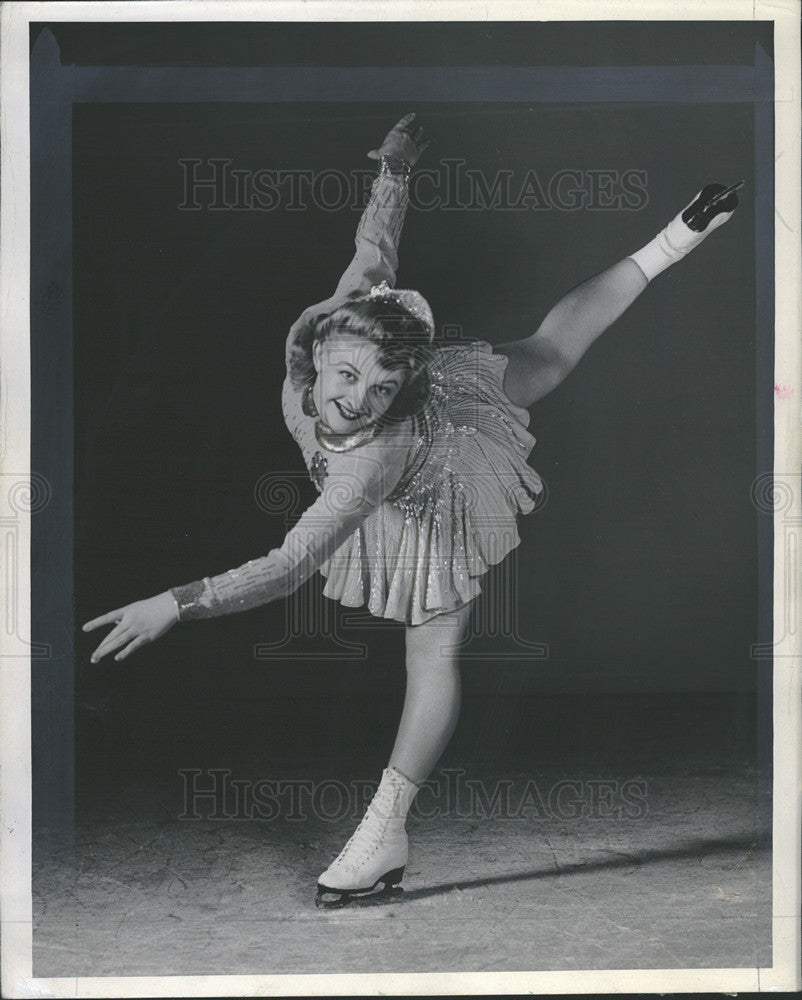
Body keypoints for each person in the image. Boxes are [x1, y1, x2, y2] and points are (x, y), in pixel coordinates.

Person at [83, 113, 740, 907]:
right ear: (323, 349)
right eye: (350, 378)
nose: (357, 403)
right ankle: (673, 238)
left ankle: (385, 827)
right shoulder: (334, 324)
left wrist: (177, 604)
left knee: (434, 640)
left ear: (403, 387)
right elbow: (374, 253)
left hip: (441, 469)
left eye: (381, 391)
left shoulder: (372, 455)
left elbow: (289, 566)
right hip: (389, 448)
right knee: (530, 359)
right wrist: (392, 173)